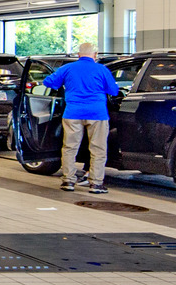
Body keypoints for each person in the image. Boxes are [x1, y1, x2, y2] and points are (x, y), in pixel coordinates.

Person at [41, 43, 120, 194]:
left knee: (70, 148)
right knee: (98, 149)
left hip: (73, 113)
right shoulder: (101, 69)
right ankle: (96, 184)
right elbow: (114, 91)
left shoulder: (67, 68)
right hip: (97, 114)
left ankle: (68, 181)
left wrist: (64, 85)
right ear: (95, 55)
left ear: (78, 55)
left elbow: (48, 82)